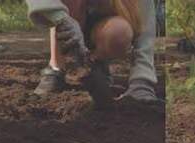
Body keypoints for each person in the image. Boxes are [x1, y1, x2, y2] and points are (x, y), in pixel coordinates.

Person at [26, 0, 162, 105]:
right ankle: (56, 68)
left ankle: (94, 64)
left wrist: (142, 80)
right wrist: (61, 18)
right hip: (68, 16)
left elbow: (144, 19)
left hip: (103, 24)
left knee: (119, 32)